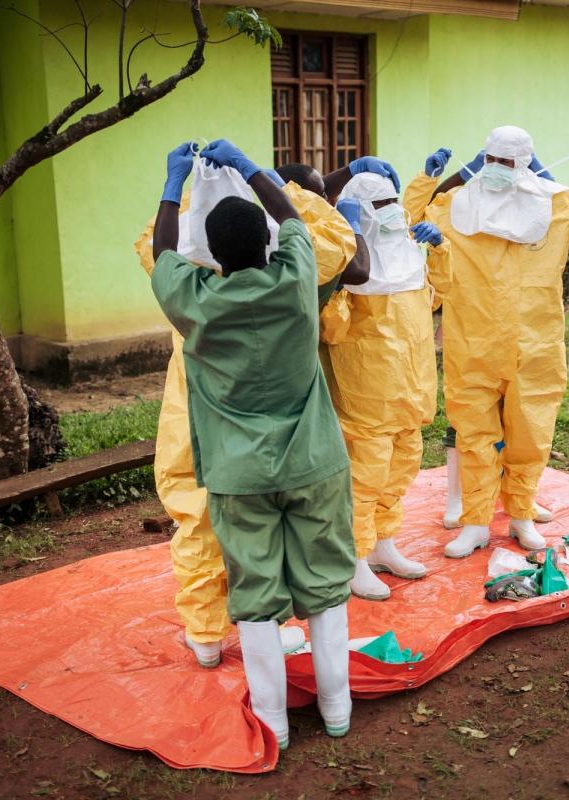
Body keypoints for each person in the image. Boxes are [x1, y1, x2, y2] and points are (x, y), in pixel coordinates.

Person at [150, 139, 357, 749]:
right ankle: (337, 709)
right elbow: (295, 219)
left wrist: (173, 184)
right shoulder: (296, 281)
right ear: (267, 244)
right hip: (315, 464)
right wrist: (250, 170)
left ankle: (273, 721)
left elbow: (164, 252)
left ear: (209, 255)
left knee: (257, 598)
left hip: (240, 477)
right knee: (325, 587)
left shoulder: (196, 304)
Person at [403, 126, 569, 558]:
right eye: (490, 161)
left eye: (506, 163)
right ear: (481, 159)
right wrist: (428, 180)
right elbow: (410, 219)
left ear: (526, 163)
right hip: (472, 342)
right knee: (473, 436)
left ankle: (522, 515)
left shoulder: (558, 204)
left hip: (536, 344)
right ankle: (474, 522)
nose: (497, 171)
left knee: (531, 433)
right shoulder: (456, 205)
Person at [324, 170, 452, 601]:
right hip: (368, 393)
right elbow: (330, 327)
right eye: (380, 207)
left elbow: (437, 297)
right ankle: (353, 561)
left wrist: (439, 250)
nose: (393, 212)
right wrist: (341, 280)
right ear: (360, 216)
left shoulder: (409, 256)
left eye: (394, 201)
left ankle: (382, 545)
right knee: (364, 477)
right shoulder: (352, 267)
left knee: (402, 468)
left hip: (412, 390)